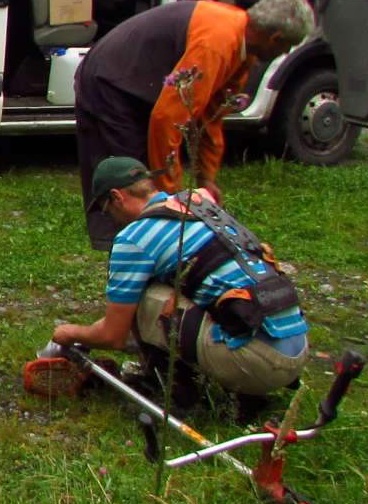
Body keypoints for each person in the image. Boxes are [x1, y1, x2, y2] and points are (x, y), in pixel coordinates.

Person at [50, 156, 308, 417]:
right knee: (189, 288)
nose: (112, 218)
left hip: (257, 364)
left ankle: (178, 391)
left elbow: (114, 335)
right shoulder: (199, 202)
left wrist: (70, 333)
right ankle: (241, 387)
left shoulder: (134, 238)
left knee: (145, 298)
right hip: (295, 348)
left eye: (107, 210)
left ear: (117, 197)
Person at [72, 0, 314, 250]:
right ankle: (128, 258)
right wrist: (173, 195)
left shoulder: (240, 46)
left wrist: (205, 177)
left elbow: (210, 116)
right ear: (275, 38)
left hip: (136, 85)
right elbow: (167, 118)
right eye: (286, 47)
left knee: (149, 187)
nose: (284, 52)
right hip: (111, 82)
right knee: (131, 182)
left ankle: (151, 250)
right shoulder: (217, 44)